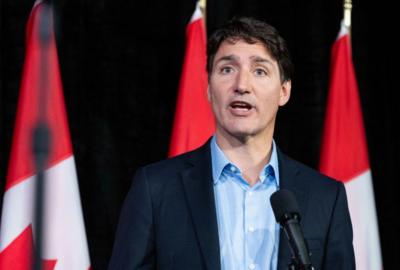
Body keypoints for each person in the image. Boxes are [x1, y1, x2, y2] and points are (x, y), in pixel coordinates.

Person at [108, 17, 355, 270]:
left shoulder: (326, 196)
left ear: (284, 91)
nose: (241, 85)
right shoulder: (156, 189)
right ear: (208, 88)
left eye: (260, 71)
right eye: (227, 69)